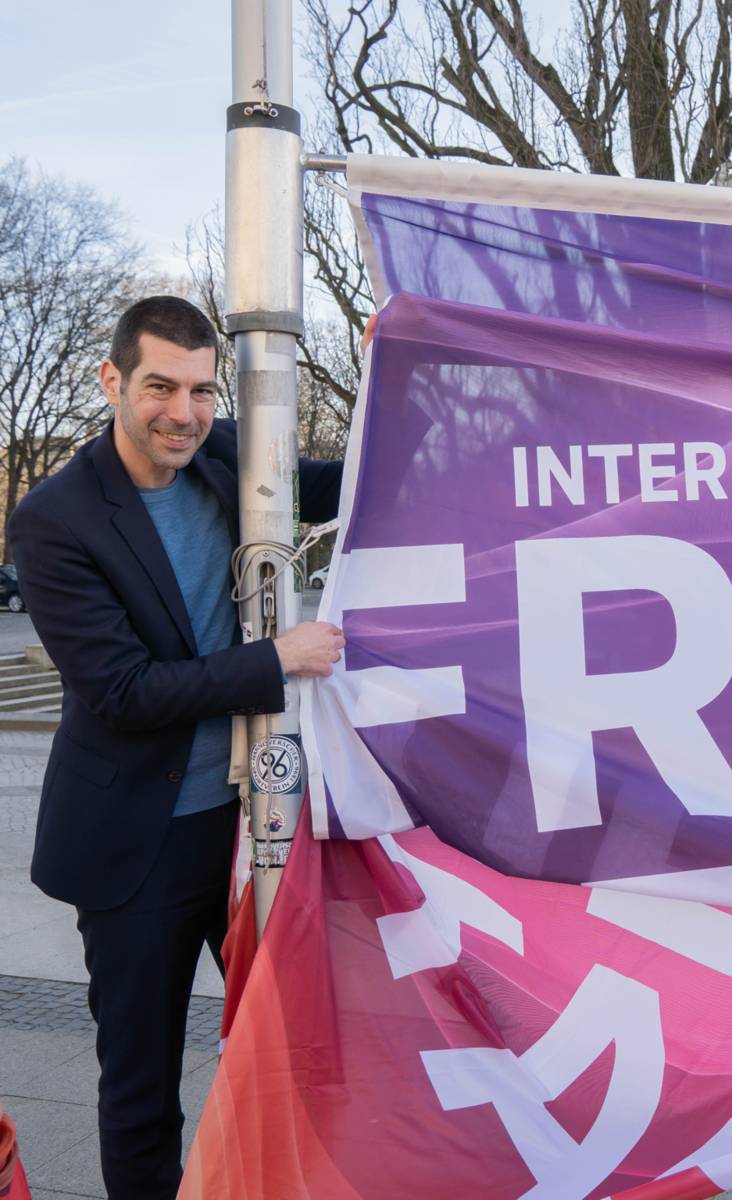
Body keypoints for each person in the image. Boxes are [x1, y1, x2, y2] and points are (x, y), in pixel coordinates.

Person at [6, 296, 346, 1200]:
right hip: (135, 850)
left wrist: (426, 437)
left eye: (201, 390)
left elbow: (321, 483)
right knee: (142, 1089)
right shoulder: (55, 518)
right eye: (160, 386)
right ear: (113, 381)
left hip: (249, 830)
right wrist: (276, 659)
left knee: (296, 1055)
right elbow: (121, 693)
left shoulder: (225, 451)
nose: (185, 412)